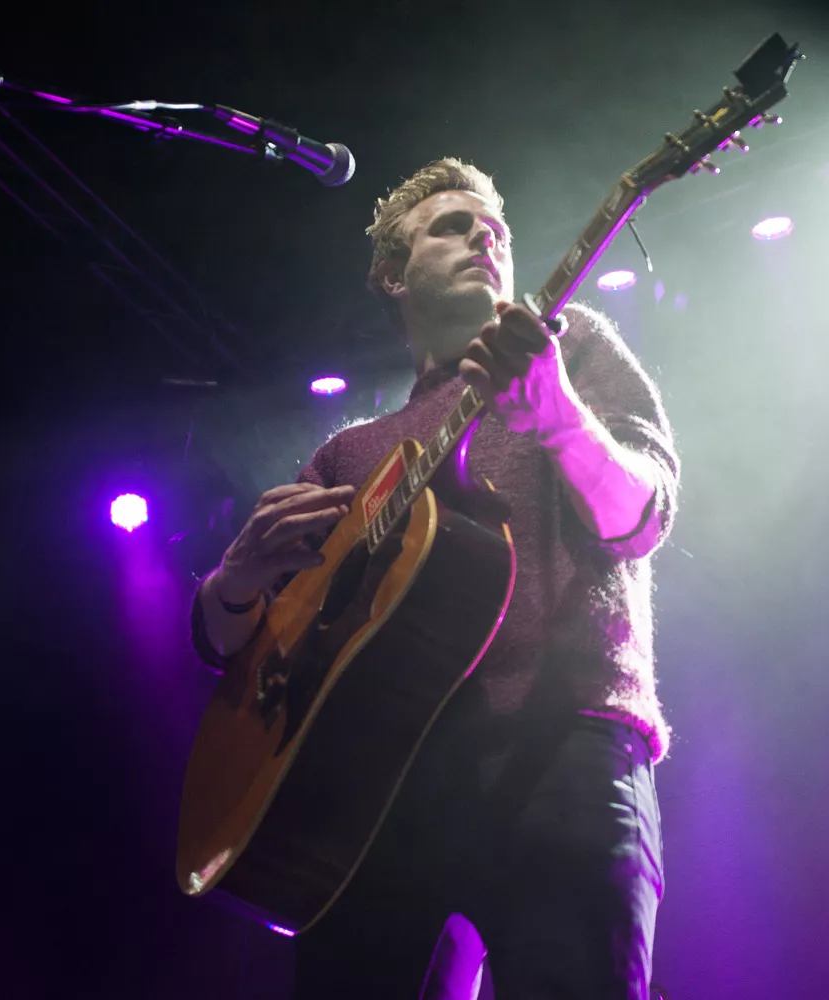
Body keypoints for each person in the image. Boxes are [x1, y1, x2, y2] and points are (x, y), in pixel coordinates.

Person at [191, 158, 679, 999]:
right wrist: (238, 573)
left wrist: (558, 414)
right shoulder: (349, 456)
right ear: (392, 273)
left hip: (562, 739)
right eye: (454, 226)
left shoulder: (569, 347)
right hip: (374, 794)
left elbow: (640, 519)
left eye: (497, 231)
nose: (485, 238)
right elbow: (234, 646)